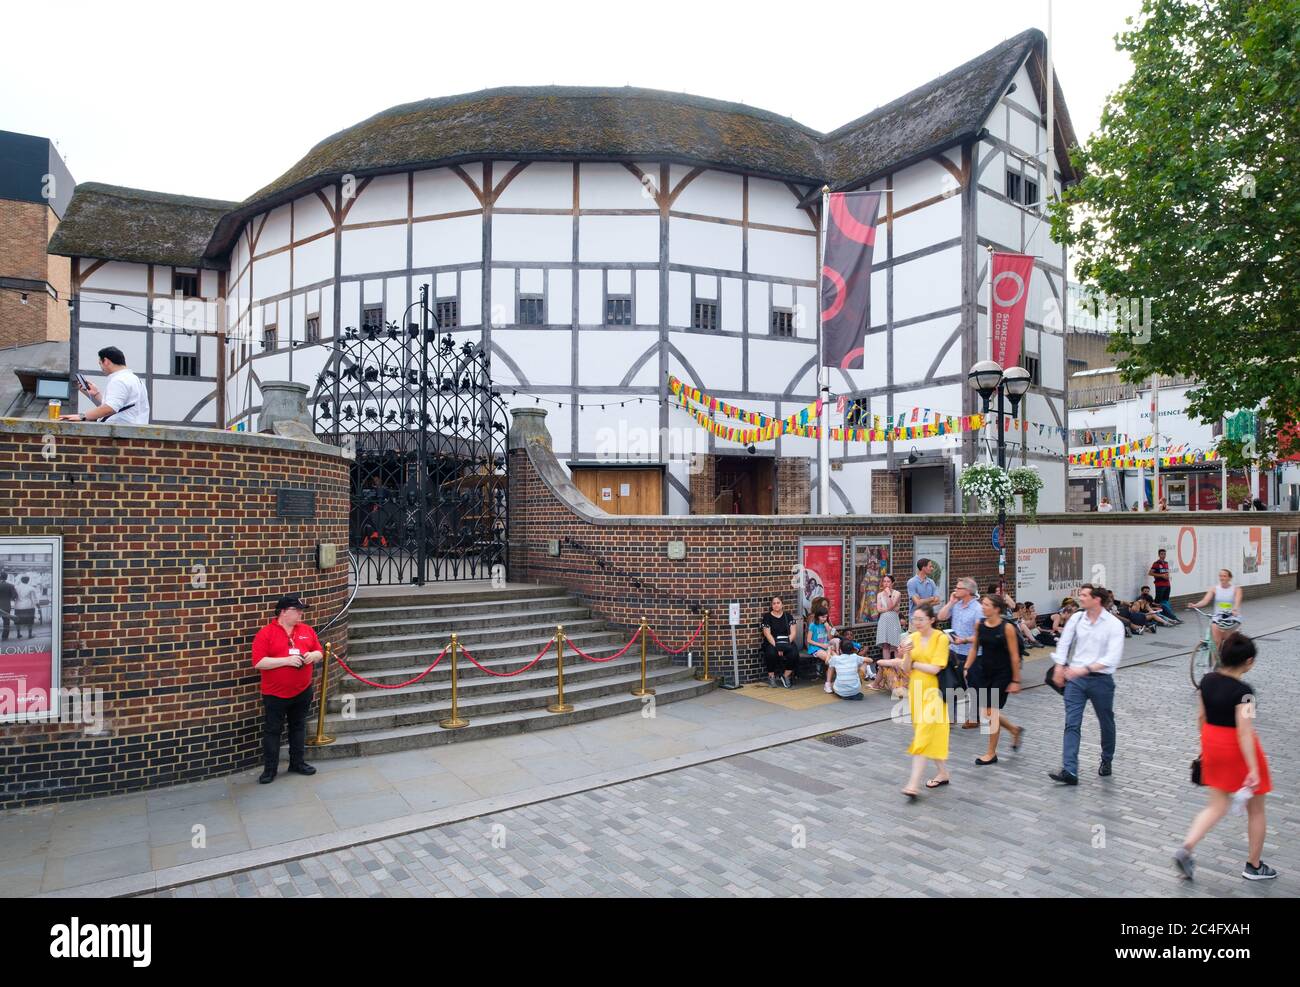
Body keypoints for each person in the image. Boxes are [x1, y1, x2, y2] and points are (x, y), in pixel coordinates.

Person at [1173, 632, 1276, 881]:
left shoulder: (1206, 680)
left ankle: (1186, 848)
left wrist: (1205, 747)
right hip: (1238, 750)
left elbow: (1201, 718)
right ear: (1249, 662)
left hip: (1212, 744)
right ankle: (1254, 865)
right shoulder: (1246, 693)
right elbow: (1244, 732)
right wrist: (1252, 768)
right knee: (1257, 810)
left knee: (1217, 805)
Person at [1048, 584, 1125, 785]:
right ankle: (1069, 770)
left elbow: (1112, 658)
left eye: (1083, 595)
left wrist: (1085, 669)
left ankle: (1107, 759)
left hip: (1101, 681)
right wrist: (1059, 666)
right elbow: (1064, 642)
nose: (1080, 598)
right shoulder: (1077, 618)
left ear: (1096, 600)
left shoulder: (1113, 624)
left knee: (1106, 721)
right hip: (1076, 680)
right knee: (1072, 723)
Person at [878, 604, 950, 798]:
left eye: (921, 619)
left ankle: (913, 784)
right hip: (916, 691)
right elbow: (907, 669)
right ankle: (943, 773)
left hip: (934, 693)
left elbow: (935, 668)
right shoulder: (913, 638)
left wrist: (915, 663)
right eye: (914, 619)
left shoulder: (940, 639)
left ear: (932, 620)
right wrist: (908, 653)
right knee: (925, 733)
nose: (916, 623)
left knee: (922, 737)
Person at [251, 594, 324, 784]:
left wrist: (312, 656)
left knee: (298, 727)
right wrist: (286, 660)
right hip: (275, 693)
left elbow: (319, 651)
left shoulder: (307, 630)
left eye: (301, 610)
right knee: (273, 731)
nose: (301, 613)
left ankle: (297, 763)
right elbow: (259, 662)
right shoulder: (266, 633)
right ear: (282, 612)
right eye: (296, 610)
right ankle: (270, 769)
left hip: (302, 690)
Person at [965, 593, 1024, 763]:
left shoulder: (1007, 628)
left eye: (986, 605)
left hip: (1003, 674)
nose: (982, 607)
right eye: (982, 604)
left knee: (991, 712)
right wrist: (967, 666)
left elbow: (1014, 656)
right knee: (987, 712)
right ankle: (1014, 730)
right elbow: (974, 649)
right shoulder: (980, 625)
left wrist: (1016, 680)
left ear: (997, 609)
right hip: (985, 671)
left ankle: (991, 753)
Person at [60, 346, 152, 424]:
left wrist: (82, 416)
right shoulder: (135, 380)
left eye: (100, 363)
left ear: (106, 361)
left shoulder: (119, 380)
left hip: (119, 434)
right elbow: (119, 406)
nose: (101, 368)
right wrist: (96, 394)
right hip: (132, 433)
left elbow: (110, 408)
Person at [937, 577, 982, 728]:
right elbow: (941, 617)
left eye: (958, 588)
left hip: (972, 653)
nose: (955, 590)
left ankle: (974, 718)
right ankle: (951, 717)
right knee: (950, 685)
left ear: (968, 591)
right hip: (954, 651)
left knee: (973, 686)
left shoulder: (978, 609)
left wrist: (964, 640)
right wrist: (951, 602)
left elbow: (980, 635)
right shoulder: (956, 605)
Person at [1188, 569, 1243, 651]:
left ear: (1229, 578)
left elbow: (1237, 602)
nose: (1222, 578)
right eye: (1220, 576)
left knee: (1229, 642)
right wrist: (1195, 605)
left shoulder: (1236, 589)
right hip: (1218, 617)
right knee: (1216, 642)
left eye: (1224, 576)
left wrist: (1234, 609)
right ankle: (1214, 662)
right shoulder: (1214, 589)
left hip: (1231, 617)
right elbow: (1205, 601)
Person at [760, 596, 797, 689]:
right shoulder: (767, 617)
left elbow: (793, 633)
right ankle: (771, 676)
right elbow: (767, 634)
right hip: (772, 642)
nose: (776, 605)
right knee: (771, 653)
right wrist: (778, 647)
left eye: (778, 603)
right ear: (772, 605)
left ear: (782, 604)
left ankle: (785, 675)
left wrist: (785, 646)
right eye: (774, 603)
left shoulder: (788, 616)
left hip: (786, 641)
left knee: (794, 653)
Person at [873, 573, 903, 668]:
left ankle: (897, 668)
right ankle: (887, 668)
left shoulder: (897, 593)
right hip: (883, 620)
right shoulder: (879, 595)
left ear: (892, 583)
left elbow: (892, 605)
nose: (886, 584)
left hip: (893, 620)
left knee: (895, 644)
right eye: (884, 581)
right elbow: (879, 609)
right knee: (885, 644)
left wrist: (889, 594)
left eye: (888, 581)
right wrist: (887, 609)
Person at [12, 576, 40, 640]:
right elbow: (34, 599)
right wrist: (38, 606)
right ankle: (29, 635)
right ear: (28, 581)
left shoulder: (16, 587)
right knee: (30, 621)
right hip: (28, 606)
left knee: (18, 620)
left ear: (21, 580)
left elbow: (14, 597)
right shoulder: (31, 588)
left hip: (18, 606)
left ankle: (18, 634)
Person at [1147, 548, 1173, 615]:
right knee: (1158, 600)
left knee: (1165, 600)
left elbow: (1166, 573)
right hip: (1160, 585)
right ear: (1159, 555)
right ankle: (1157, 614)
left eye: (1164, 554)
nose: (1163, 555)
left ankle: (1166, 613)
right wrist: (1161, 576)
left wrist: (1167, 576)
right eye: (1162, 554)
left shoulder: (1166, 563)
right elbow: (1150, 573)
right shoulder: (1156, 563)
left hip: (1167, 584)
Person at [0, 572, 14, 642]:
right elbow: (14, 596)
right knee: (6, 622)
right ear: (6, 577)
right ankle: (4, 637)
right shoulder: (10, 586)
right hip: (6, 606)